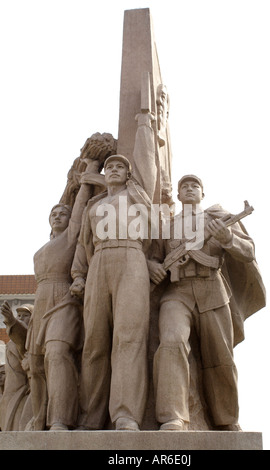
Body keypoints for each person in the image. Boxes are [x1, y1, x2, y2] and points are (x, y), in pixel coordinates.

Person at [148, 174, 265, 431]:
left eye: (195, 186)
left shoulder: (218, 218)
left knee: (220, 356)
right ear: (178, 196)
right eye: (184, 187)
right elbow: (155, 258)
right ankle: (173, 416)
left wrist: (227, 239)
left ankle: (226, 420)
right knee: (171, 341)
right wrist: (153, 266)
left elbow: (248, 252)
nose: (189, 189)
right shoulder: (167, 225)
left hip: (212, 288)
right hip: (177, 292)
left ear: (203, 193)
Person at [70, 151, 156, 431]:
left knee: (128, 339)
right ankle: (90, 418)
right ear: (104, 175)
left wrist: (152, 260)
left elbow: (157, 228)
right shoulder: (94, 205)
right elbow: (84, 244)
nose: (115, 170)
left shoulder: (137, 196)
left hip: (132, 256)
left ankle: (125, 415)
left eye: (120, 167)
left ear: (128, 174)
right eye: (110, 167)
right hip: (99, 262)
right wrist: (79, 275)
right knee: (94, 342)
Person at [26, 158, 99, 431]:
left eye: (62, 214)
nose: (58, 216)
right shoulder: (39, 252)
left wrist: (89, 173)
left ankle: (60, 419)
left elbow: (79, 209)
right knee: (35, 364)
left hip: (64, 298)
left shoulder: (71, 238)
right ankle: (39, 419)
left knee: (57, 353)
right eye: (53, 214)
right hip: (41, 300)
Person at [0, 302, 33, 430]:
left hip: (23, 394)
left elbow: (22, 336)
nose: (21, 318)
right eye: (18, 315)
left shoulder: (31, 339)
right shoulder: (10, 343)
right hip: (10, 392)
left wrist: (12, 321)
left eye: (25, 315)